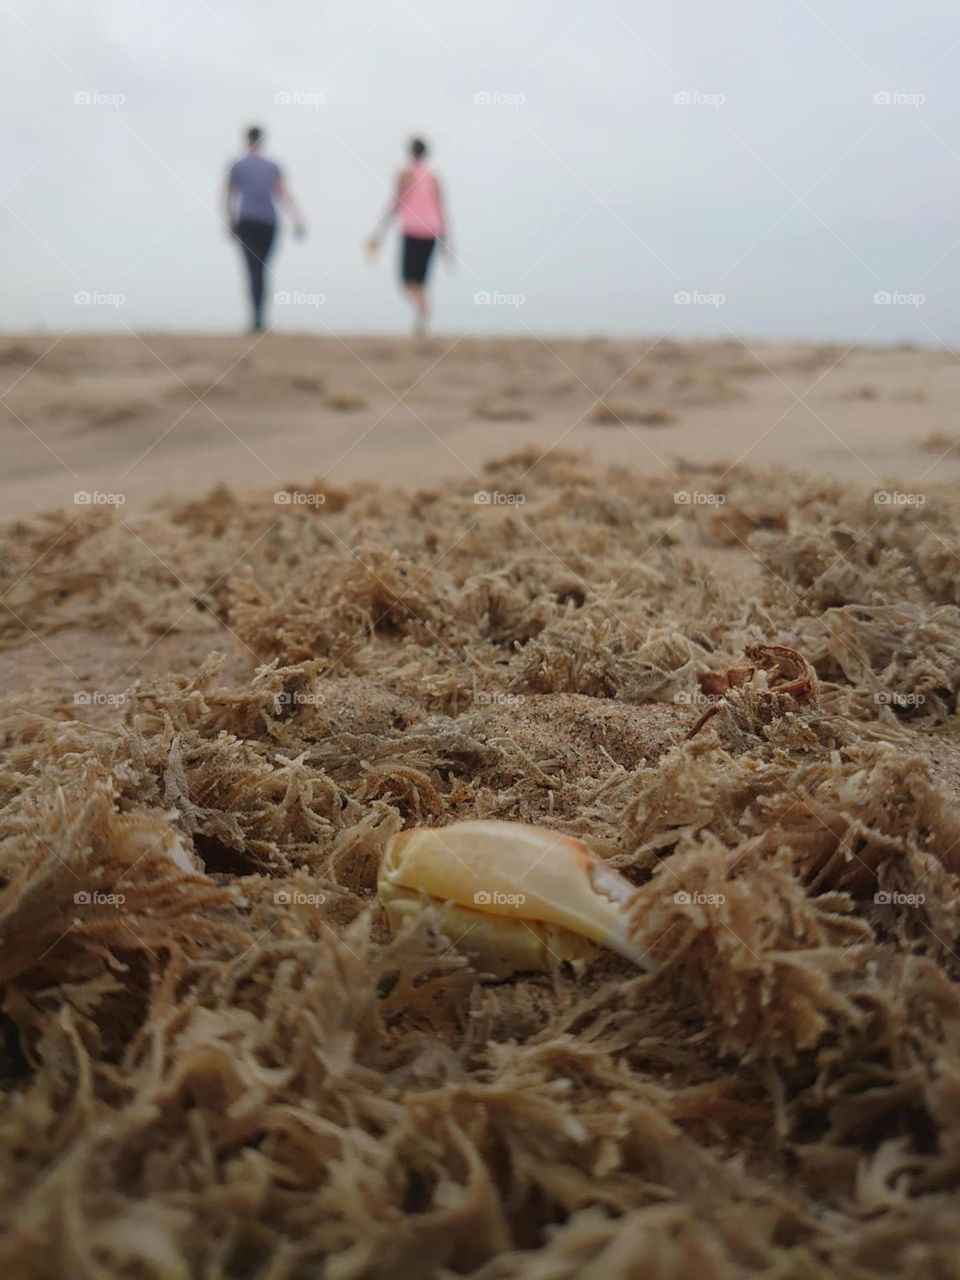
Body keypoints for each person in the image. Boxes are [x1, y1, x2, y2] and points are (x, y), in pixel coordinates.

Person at [224, 125, 305, 332]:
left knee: (254, 270)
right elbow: (284, 194)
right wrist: (297, 219)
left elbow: (229, 196)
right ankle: (259, 318)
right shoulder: (272, 166)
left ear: (247, 139)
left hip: (248, 221)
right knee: (262, 270)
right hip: (269, 222)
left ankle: (257, 319)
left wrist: (229, 220)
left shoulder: (238, 165)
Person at [367, 137, 449, 337]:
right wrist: (445, 240)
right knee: (419, 280)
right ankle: (422, 315)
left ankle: (422, 313)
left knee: (407, 281)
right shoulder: (433, 176)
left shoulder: (406, 174)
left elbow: (395, 202)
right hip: (432, 230)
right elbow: (441, 209)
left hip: (413, 230)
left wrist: (379, 232)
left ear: (409, 152)